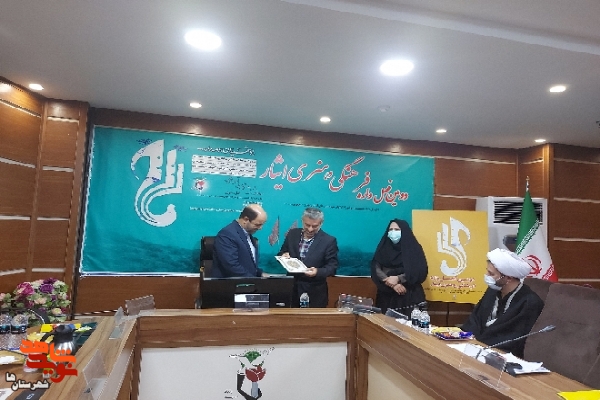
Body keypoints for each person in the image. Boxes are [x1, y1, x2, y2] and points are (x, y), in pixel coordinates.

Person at [462, 248, 544, 358]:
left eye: (491, 274)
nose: (486, 275)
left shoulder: (530, 302)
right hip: (475, 346)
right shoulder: (493, 290)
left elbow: (514, 339)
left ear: (508, 278)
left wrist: (480, 344)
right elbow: (475, 319)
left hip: (501, 355)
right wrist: (468, 338)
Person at [277, 208, 338, 307]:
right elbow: (282, 252)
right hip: (291, 289)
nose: (310, 229)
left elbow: (332, 267)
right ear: (302, 221)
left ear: (321, 223)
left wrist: (317, 272)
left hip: (314, 293)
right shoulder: (292, 234)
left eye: (315, 226)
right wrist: (283, 255)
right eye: (307, 225)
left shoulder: (329, 241)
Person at [370, 219, 428, 314]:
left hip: (409, 294)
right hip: (386, 294)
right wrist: (392, 283)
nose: (393, 232)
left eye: (397, 229)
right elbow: (376, 267)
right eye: (390, 229)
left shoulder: (414, 249)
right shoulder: (383, 247)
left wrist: (399, 278)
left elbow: (419, 270)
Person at [212, 204, 267, 278]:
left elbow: (248, 263)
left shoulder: (247, 234)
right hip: (231, 283)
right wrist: (255, 280)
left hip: (246, 282)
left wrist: (260, 273)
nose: (260, 228)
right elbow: (231, 266)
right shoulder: (227, 235)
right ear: (246, 219)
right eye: (257, 225)